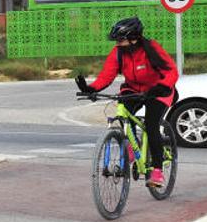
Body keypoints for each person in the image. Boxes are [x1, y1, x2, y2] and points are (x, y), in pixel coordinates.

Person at [75, 16, 177, 187]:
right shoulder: (118, 53)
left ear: (134, 38)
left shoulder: (151, 48)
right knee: (123, 114)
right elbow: (107, 75)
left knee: (152, 125)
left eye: (120, 40)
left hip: (159, 91)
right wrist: (91, 89)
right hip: (133, 89)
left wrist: (162, 86)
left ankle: (157, 171)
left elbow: (171, 72)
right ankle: (132, 147)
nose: (117, 43)